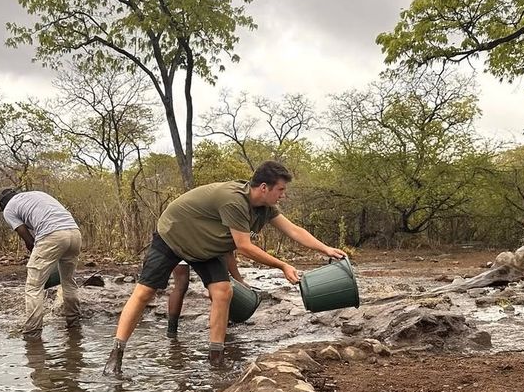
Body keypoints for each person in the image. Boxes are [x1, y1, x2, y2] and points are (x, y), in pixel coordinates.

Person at [103, 160, 345, 374]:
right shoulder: (234, 200)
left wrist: (325, 249)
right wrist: (282, 265)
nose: (283, 195)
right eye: (281, 189)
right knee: (145, 292)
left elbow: (293, 230)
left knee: (223, 291)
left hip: (205, 247)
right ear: (264, 188)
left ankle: (215, 357)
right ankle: (116, 353)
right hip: (174, 235)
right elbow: (244, 246)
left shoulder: (266, 208)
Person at [0, 188, 82, 336]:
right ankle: (74, 323)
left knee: (33, 287)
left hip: (52, 235)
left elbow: (27, 237)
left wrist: (36, 255)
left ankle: (33, 332)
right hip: (74, 233)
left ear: (2, 204)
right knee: (68, 281)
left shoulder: (9, 208)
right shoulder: (37, 194)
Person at [166, 251, 240, 337]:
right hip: (204, 248)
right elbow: (228, 253)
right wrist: (239, 279)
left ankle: (172, 330)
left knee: (180, 286)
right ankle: (219, 327)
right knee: (216, 286)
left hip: (181, 247)